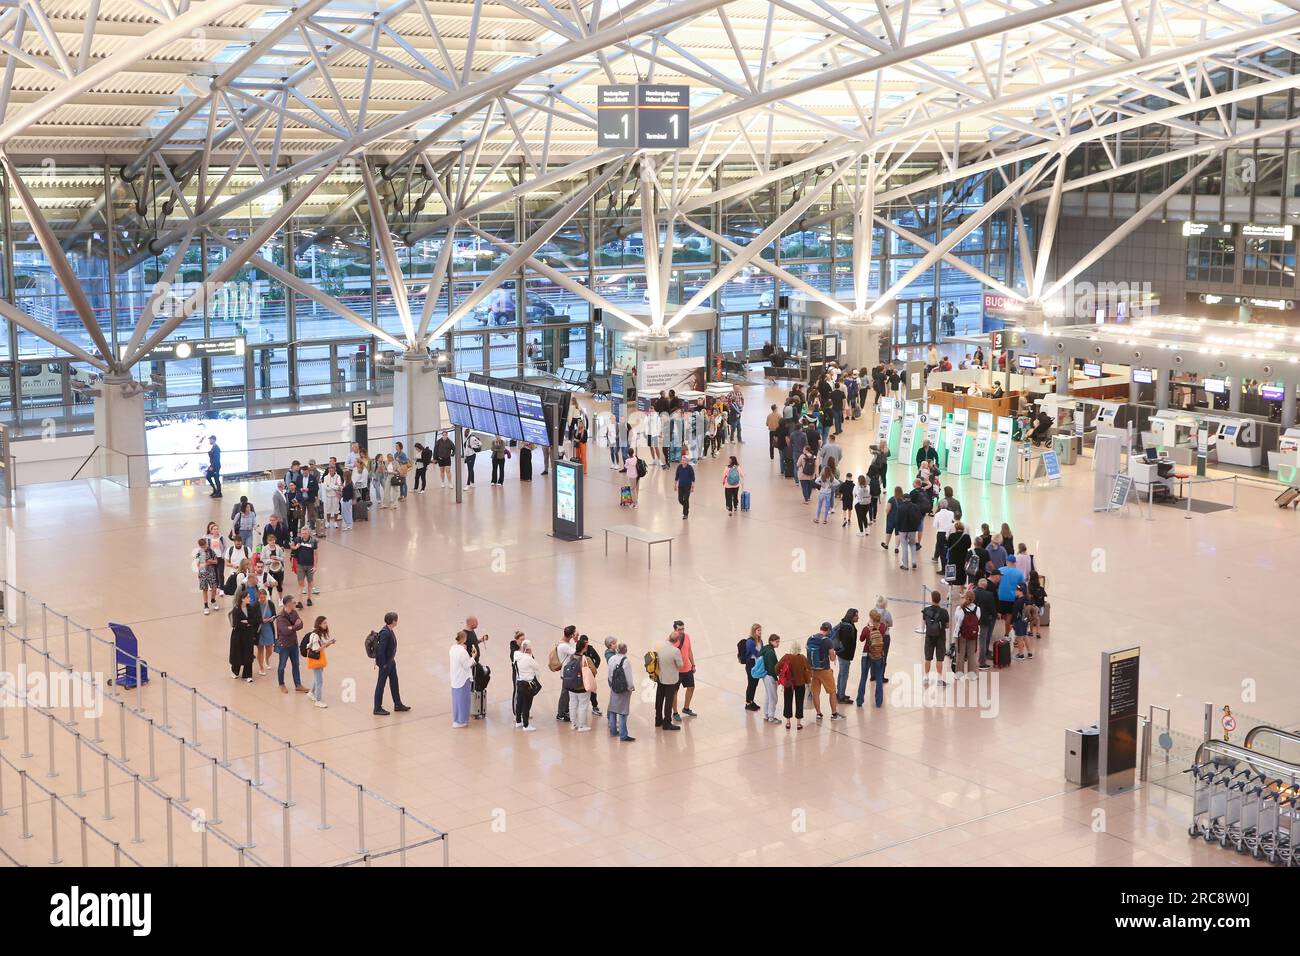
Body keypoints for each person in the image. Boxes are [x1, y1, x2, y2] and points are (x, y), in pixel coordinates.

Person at [373, 611, 411, 715]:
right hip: (385, 664)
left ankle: (397, 704)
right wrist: (383, 664)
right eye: (396, 619)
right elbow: (381, 651)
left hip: (391, 662)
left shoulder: (389, 630)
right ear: (393, 621)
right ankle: (377, 708)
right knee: (381, 685)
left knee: (394, 682)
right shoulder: (385, 633)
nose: (397, 621)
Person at [806, 622, 844, 721]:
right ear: (829, 631)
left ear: (821, 628)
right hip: (825, 670)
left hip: (813, 670)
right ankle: (834, 714)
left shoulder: (811, 638)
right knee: (832, 692)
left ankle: (818, 714)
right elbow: (832, 658)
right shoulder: (828, 641)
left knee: (816, 693)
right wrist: (835, 654)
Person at [273, 595, 308, 695]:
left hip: (294, 643)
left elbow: (301, 624)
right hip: (284, 645)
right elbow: (285, 631)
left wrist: (291, 627)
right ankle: (281, 684)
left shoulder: (294, 612)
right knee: (282, 665)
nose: (295, 604)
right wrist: (295, 626)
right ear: (288, 604)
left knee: (296, 664)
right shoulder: (280, 617)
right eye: (294, 602)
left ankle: (298, 685)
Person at [651, 631, 683, 732]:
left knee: (659, 700)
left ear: (668, 637)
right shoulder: (676, 651)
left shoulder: (660, 646)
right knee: (668, 702)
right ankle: (667, 723)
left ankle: (658, 720)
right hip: (670, 680)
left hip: (660, 678)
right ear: (677, 641)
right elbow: (680, 665)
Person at [777, 639, 812, 730]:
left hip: (788, 683)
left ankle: (788, 722)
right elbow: (809, 669)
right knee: (799, 702)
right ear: (799, 649)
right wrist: (807, 679)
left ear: (791, 649)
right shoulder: (802, 658)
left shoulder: (786, 657)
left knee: (787, 701)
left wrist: (781, 675)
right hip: (800, 683)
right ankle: (798, 724)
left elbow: (776, 667)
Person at [606, 642, 636, 742]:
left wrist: (612, 684)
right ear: (626, 650)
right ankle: (623, 735)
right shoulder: (626, 661)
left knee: (613, 709)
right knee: (623, 711)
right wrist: (631, 687)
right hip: (623, 688)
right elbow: (628, 676)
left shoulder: (611, 659)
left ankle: (613, 731)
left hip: (614, 686)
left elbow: (609, 674)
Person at [857, 610, 887, 707]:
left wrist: (867, 626)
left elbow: (861, 639)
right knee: (879, 678)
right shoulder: (883, 627)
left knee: (863, 677)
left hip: (866, 654)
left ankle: (859, 701)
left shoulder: (866, 629)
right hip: (878, 655)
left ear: (871, 618)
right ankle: (878, 702)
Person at [920, 590, 950, 686]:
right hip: (940, 637)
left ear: (932, 599)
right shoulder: (944, 612)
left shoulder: (926, 610)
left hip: (929, 636)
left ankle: (926, 677)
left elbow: (925, 622)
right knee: (939, 659)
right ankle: (939, 680)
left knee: (928, 658)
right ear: (940, 600)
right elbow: (947, 626)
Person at [305, 616, 335, 708]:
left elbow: (321, 646)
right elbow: (316, 649)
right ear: (319, 624)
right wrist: (327, 644)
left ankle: (311, 692)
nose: (326, 625)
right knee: (319, 681)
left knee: (317, 678)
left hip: (319, 659)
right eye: (324, 623)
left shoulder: (319, 634)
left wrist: (329, 643)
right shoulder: (315, 635)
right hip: (316, 660)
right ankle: (318, 700)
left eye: (326, 623)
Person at [228, 589, 256, 682]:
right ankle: (235, 671)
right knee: (237, 653)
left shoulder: (250, 608)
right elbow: (236, 623)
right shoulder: (236, 610)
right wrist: (247, 624)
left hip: (248, 635)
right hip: (238, 636)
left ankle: (248, 675)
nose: (249, 598)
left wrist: (247, 622)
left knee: (248, 653)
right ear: (242, 599)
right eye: (247, 597)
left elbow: (254, 620)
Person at [512, 638, 540, 732]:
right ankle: (526, 725)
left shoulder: (516, 655)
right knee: (526, 705)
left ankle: (518, 721)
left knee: (519, 703)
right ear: (529, 648)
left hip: (519, 682)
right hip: (527, 684)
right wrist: (530, 655)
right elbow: (537, 666)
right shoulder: (528, 658)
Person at [671, 621, 697, 719]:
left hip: (687, 668)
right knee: (674, 692)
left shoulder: (687, 636)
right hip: (676, 671)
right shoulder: (671, 640)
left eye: (683, 629)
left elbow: (689, 650)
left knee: (691, 687)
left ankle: (686, 708)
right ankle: (675, 713)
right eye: (679, 629)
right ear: (675, 629)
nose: (682, 631)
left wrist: (693, 664)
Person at [833, 609, 859, 704]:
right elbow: (847, 643)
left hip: (841, 653)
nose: (858, 617)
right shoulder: (848, 627)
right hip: (845, 655)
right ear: (852, 616)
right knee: (844, 675)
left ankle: (839, 693)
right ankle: (841, 697)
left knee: (841, 674)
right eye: (856, 616)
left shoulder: (843, 623)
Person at [996, 554, 1026, 638]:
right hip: (1012, 598)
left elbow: (996, 582)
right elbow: (1022, 586)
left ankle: (1007, 632)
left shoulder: (1000, 570)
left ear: (1006, 562)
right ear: (1015, 562)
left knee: (1005, 616)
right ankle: (1008, 634)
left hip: (1001, 597)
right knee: (1010, 616)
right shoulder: (1019, 572)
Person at [449, 631, 475, 728]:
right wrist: (473, 657)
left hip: (455, 677)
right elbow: (467, 665)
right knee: (464, 700)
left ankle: (456, 719)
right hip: (463, 678)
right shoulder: (462, 652)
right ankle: (462, 720)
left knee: (456, 700)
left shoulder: (452, 648)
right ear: (464, 639)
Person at [972, 577, 998, 669]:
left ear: (978, 584)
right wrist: (995, 615)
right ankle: (982, 662)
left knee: (971, 640)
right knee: (983, 640)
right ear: (985, 586)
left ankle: (970, 660)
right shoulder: (989, 595)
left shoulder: (973, 593)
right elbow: (992, 609)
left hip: (972, 620)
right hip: (984, 620)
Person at [953, 591, 980, 677]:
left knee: (960, 654)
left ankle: (959, 674)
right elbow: (978, 619)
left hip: (960, 634)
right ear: (973, 599)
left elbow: (957, 620)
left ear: (964, 597)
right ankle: (972, 675)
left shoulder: (959, 608)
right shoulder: (977, 609)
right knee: (971, 654)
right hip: (973, 634)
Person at [553, 625, 577, 722]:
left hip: (567, 671)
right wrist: (576, 640)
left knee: (567, 693)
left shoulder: (563, 641)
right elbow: (576, 652)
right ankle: (560, 714)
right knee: (565, 694)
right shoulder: (564, 646)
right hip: (566, 672)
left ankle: (565, 710)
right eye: (574, 632)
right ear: (571, 635)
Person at [894, 487, 920, 570]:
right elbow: (919, 518)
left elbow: (897, 520)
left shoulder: (900, 507)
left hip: (903, 530)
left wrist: (897, 529)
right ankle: (914, 562)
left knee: (904, 546)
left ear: (903, 499)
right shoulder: (915, 507)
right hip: (912, 530)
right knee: (912, 545)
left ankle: (905, 565)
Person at [193, 536, 220, 614]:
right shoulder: (199, 554)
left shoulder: (211, 551)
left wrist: (210, 561)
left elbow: (216, 561)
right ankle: (206, 605)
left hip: (212, 573)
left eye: (205, 545)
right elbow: (198, 565)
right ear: (200, 546)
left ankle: (213, 600)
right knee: (205, 589)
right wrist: (208, 562)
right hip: (202, 574)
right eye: (202, 546)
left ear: (206, 544)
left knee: (214, 587)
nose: (204, 547)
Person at [758, 633, 781, 724]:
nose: (778, 643)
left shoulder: (766, 648)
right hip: (770, 676)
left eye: (778, 641)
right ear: (771, 641)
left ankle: (766, 715)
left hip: (765, 675)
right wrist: (776, 679)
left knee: (768, 695)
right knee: (773, 698)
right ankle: (771, 717)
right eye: (776, 642)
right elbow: (772, 668)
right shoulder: (771, 653)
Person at [292, 529, 317, 607]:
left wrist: (315, 566)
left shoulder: (313, 541)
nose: (304, 535)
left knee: (310, 583)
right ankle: (299, 602)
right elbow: (292, 547)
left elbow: (315, 554)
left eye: (305, 533)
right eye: (302, 533)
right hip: (300, 565)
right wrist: (294, 547)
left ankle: (309, 599)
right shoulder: (298, 540)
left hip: (310, 566)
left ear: (309, 533)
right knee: (300, 584)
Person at [741, 623, 763, 711]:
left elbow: (762, 651)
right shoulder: (750, 642)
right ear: (754, 631)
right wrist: (764, 654)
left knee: (755, 683)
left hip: (757, 664)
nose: (760, 632)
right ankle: (748, 703)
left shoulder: (760, 641)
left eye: (760, 630)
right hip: (751, 664)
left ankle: (751, 701)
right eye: (758, 630)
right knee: (751, 683)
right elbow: (756, 653)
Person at [674, 453, 696, 519]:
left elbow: (693, 478)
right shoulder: (679, 467)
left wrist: (692, 487)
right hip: (680, 486)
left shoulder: (690, 468)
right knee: (680, 499)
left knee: (686, 499)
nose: (683, 461)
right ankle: (686, 507)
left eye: (684, 460)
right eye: (682, 460)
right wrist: (675, 485)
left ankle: (685, 514)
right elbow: (677, 476)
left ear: (687, 461)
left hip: (687, 486)